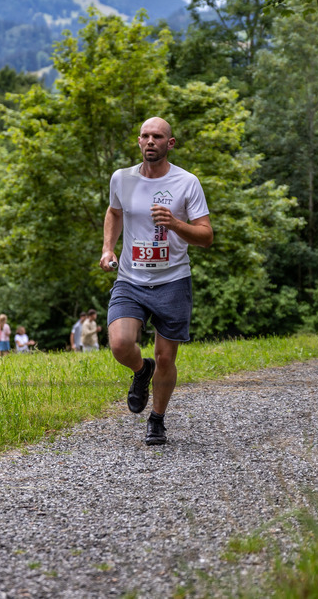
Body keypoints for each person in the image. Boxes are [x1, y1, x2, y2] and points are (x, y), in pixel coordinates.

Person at [99, 116, 213, 446]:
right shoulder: (121, 178)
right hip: (131, 278)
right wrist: (108, 248)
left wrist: (176, 224)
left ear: (170, 143)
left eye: (158, 137)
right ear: (138, 141)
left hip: (173, 280)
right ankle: (140, 370)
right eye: (145, 136)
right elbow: (114, 212)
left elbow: (206, 237)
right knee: (120, 343)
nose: (151, 141)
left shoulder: (187, 182)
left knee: (167, 358)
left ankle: (157, 420)